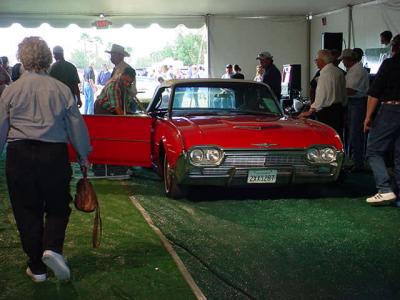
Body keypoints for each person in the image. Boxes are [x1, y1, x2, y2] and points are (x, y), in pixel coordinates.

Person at [0, 36, 91, 282]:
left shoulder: (11, 91)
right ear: (48, 59)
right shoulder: (61, 90)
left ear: (22, 59)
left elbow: (1, 126)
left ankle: (37, 267)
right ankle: (52, 247)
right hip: (54, 155)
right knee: (58, 205)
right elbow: (76, 127)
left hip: (19, 154)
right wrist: (83, 155)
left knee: (26, 210)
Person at [364, 34, 400, 206]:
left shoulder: (390, 64)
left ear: (394, 48)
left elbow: (374, 93)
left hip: (391, 109)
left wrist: (368, 117)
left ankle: (384, 189)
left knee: (373, 150)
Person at [299, 49, 347, 138]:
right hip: (339, 109)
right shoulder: (339, 72)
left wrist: (311, 110)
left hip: (326, 112)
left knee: (326, 137)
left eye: (316, 60)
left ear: (322, 60)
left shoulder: (325, 74)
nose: (315, 62)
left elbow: (322, 95)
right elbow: (344, 93)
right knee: (337, 136)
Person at [340, 49, 369, 171]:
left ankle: (358, 163)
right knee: (352, 134)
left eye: (343, 60)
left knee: (355, 134)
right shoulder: (354, 70)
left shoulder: (357, 71)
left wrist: (336, 89)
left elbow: (351, 90)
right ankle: (355, 161)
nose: (342, 62)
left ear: (348, 59)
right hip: (354, 103)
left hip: (357, 103)